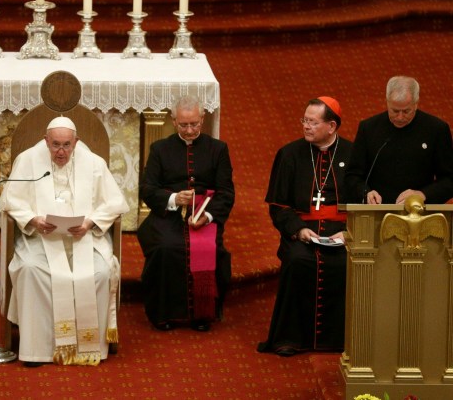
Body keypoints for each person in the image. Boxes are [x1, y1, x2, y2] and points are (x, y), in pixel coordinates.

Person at [1, 116, 129, 367]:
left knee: (101, 272)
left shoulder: (94, 163)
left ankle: (87, 348)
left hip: (84, 238)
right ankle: (37, 350)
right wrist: (33, 219)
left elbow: (114, 202)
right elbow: (11, 200)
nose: (61, 152)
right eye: (55, 145)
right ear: (45, 141)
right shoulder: (27, 161)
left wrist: (90, 223)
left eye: (66, 145)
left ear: (76, 142)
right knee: (30, 269)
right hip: (41, 238)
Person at [257, 97, 353, 356]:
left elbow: (363, 201)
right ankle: (289, 338)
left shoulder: (353, 155)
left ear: (332, 126)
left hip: (341, 232)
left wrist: (350, 231)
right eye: (305, 120)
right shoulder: (289, 154)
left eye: (313, 122)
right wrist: (298, 229)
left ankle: (342, 339)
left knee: (345, 264)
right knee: (298, 260)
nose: (306, 126)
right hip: (302, 232)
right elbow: (278, 206)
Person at [137, 95, 235, 332]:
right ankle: (164, 313)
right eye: (183, 125)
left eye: (194, 124)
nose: (190, 130)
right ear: (173, 121)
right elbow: (147, 189)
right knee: (166, 248)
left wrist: (208, 216)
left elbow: (226, 192)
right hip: (168, 214)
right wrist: (172, 199)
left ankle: (203, 314)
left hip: (205, 213)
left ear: (202, 119)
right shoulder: (159, 149)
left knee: (210, 250)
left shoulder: (218, 149)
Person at [345, 76, 453, 205]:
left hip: (419, 213)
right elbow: (352, 176)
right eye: (395, 111)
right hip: (377, 211)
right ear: (387, 102)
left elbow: (449, 179)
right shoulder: (369, 128)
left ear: (416, 103)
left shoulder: (436, 129)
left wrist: (423, 195)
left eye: (406, 111)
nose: (400, 117)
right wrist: (365, 193)